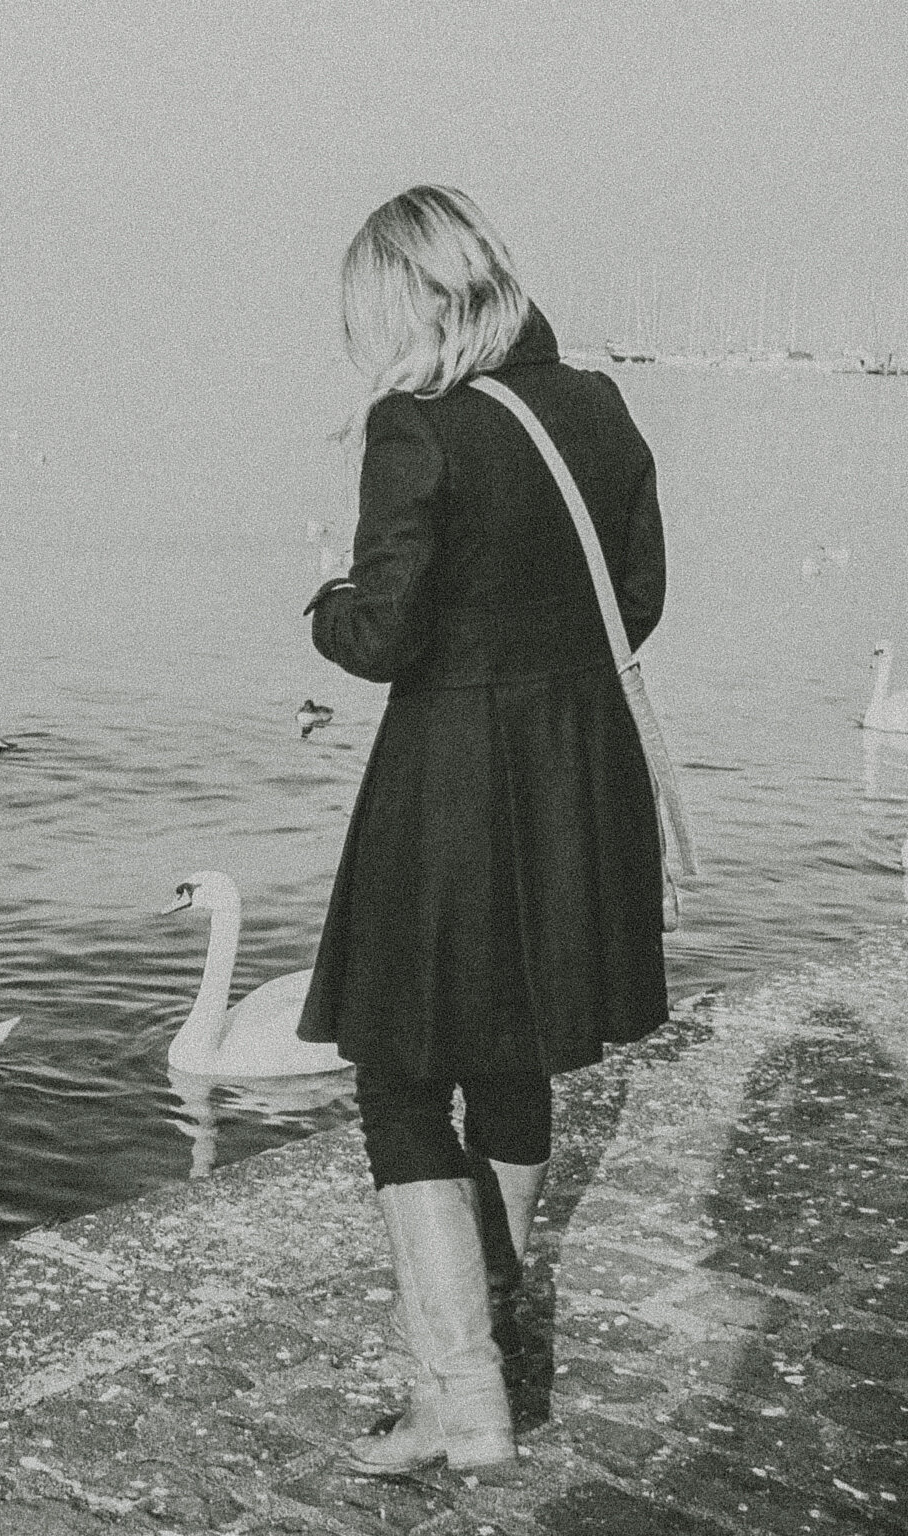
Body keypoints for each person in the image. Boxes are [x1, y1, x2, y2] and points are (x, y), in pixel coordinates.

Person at [300, 185, 668, 1476]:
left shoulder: (417, 426)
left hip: (450, 788)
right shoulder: (599, 408)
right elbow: (638, 599)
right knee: (514, 1055)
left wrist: (324, 603)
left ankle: (463, 1401)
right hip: (578, 777)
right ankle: (488, 1359)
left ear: (405, 302)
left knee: (399, 1074)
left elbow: (383, 631)